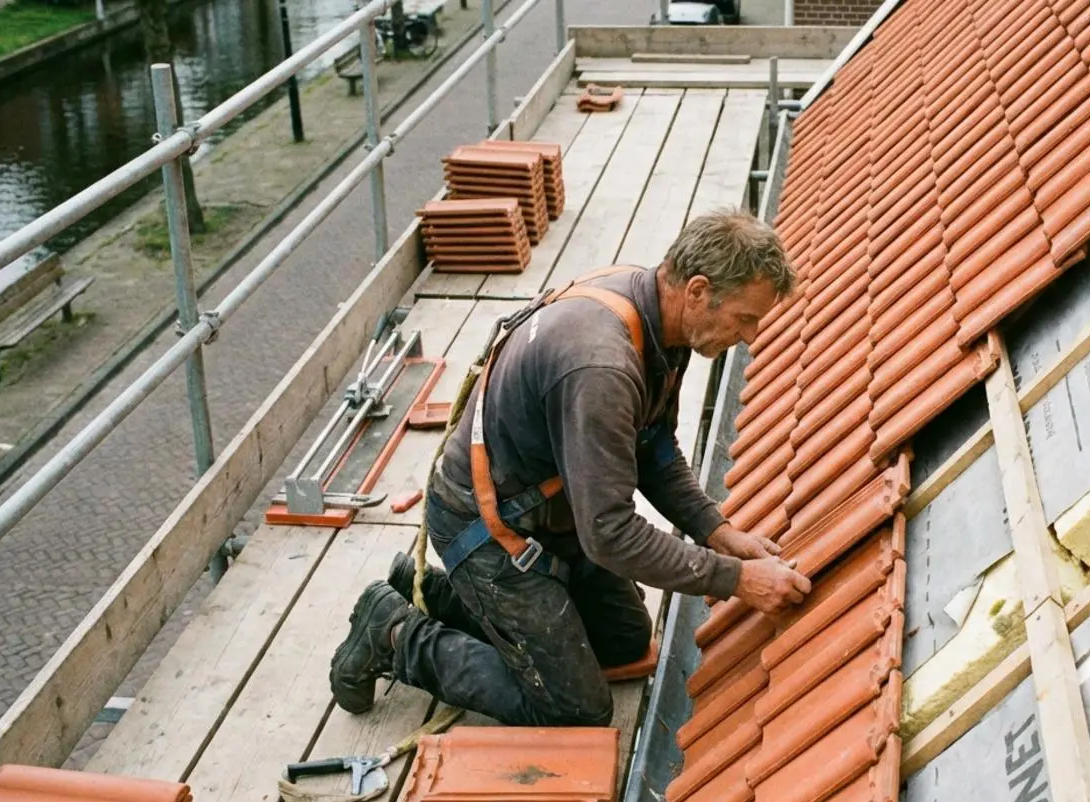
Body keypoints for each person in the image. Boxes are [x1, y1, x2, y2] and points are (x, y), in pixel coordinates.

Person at [328, 209, 813, 728]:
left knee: (624, 645)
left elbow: (653, 447)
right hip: (491, 533)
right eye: (745, 318)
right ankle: (395, 633)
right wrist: (737, 578)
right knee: (573, 708)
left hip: (555, 514)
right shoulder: (601, 365)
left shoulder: (658, 317)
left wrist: (715, 530)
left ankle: (429, 588)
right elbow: (610, 533)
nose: (751, 336)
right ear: (697, 290)